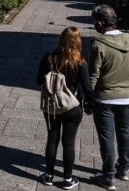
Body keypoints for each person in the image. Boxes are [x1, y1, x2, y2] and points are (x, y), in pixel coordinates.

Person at [88, 4, 129, 191]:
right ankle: (124, 169)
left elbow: (93, 76)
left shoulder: (98, 45)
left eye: (95, 22)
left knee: (107, 138)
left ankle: (108, 177)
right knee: (125, 134)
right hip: (126, 99)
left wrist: (88, 98)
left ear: (100, 23)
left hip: (104, 99)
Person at [36, 27, 92, 189]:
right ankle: (68, 179)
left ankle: (48, 176)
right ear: (78, 42)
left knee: (52, 139)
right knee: (69, 143)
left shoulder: (49, 57)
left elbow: (38, 80)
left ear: (60, 39)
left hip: (52, 107)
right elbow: (87, 88)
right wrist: (90, 105)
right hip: (72, 107)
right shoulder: (80, 62)